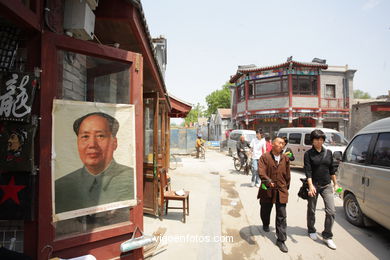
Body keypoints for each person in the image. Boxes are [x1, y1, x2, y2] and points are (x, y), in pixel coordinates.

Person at [55, 112, 134, 214]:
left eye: (100, 136)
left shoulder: (132, 178)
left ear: (114, 143)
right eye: (85, 137)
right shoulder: (61, 186)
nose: (92, 144)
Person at [304, 129, 339, 250]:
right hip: (313, 185)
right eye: (316, 139)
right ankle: (311, 229)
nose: (319, 142)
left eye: (321, 139)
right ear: (312, 141)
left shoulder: (328, 152)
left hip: (326, 185)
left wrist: (336, 184)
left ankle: (327, 236)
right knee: (312, 209)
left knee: (331, 211)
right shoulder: (308, 154)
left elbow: (332, 170)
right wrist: (310, 185)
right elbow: (308, 171)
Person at [258, 137, 291, 253]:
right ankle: (265, 223)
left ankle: (281, 240)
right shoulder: (264, 157)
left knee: (282, 215)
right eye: (279, 143)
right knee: (265, 209)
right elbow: (261, 172)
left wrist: (286, 188)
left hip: (281, 189)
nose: (281, 145)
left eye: (283, 143)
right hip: (267, 188)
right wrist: (268, 181)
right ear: (272, 144)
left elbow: (288, 175)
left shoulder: (285, 158)